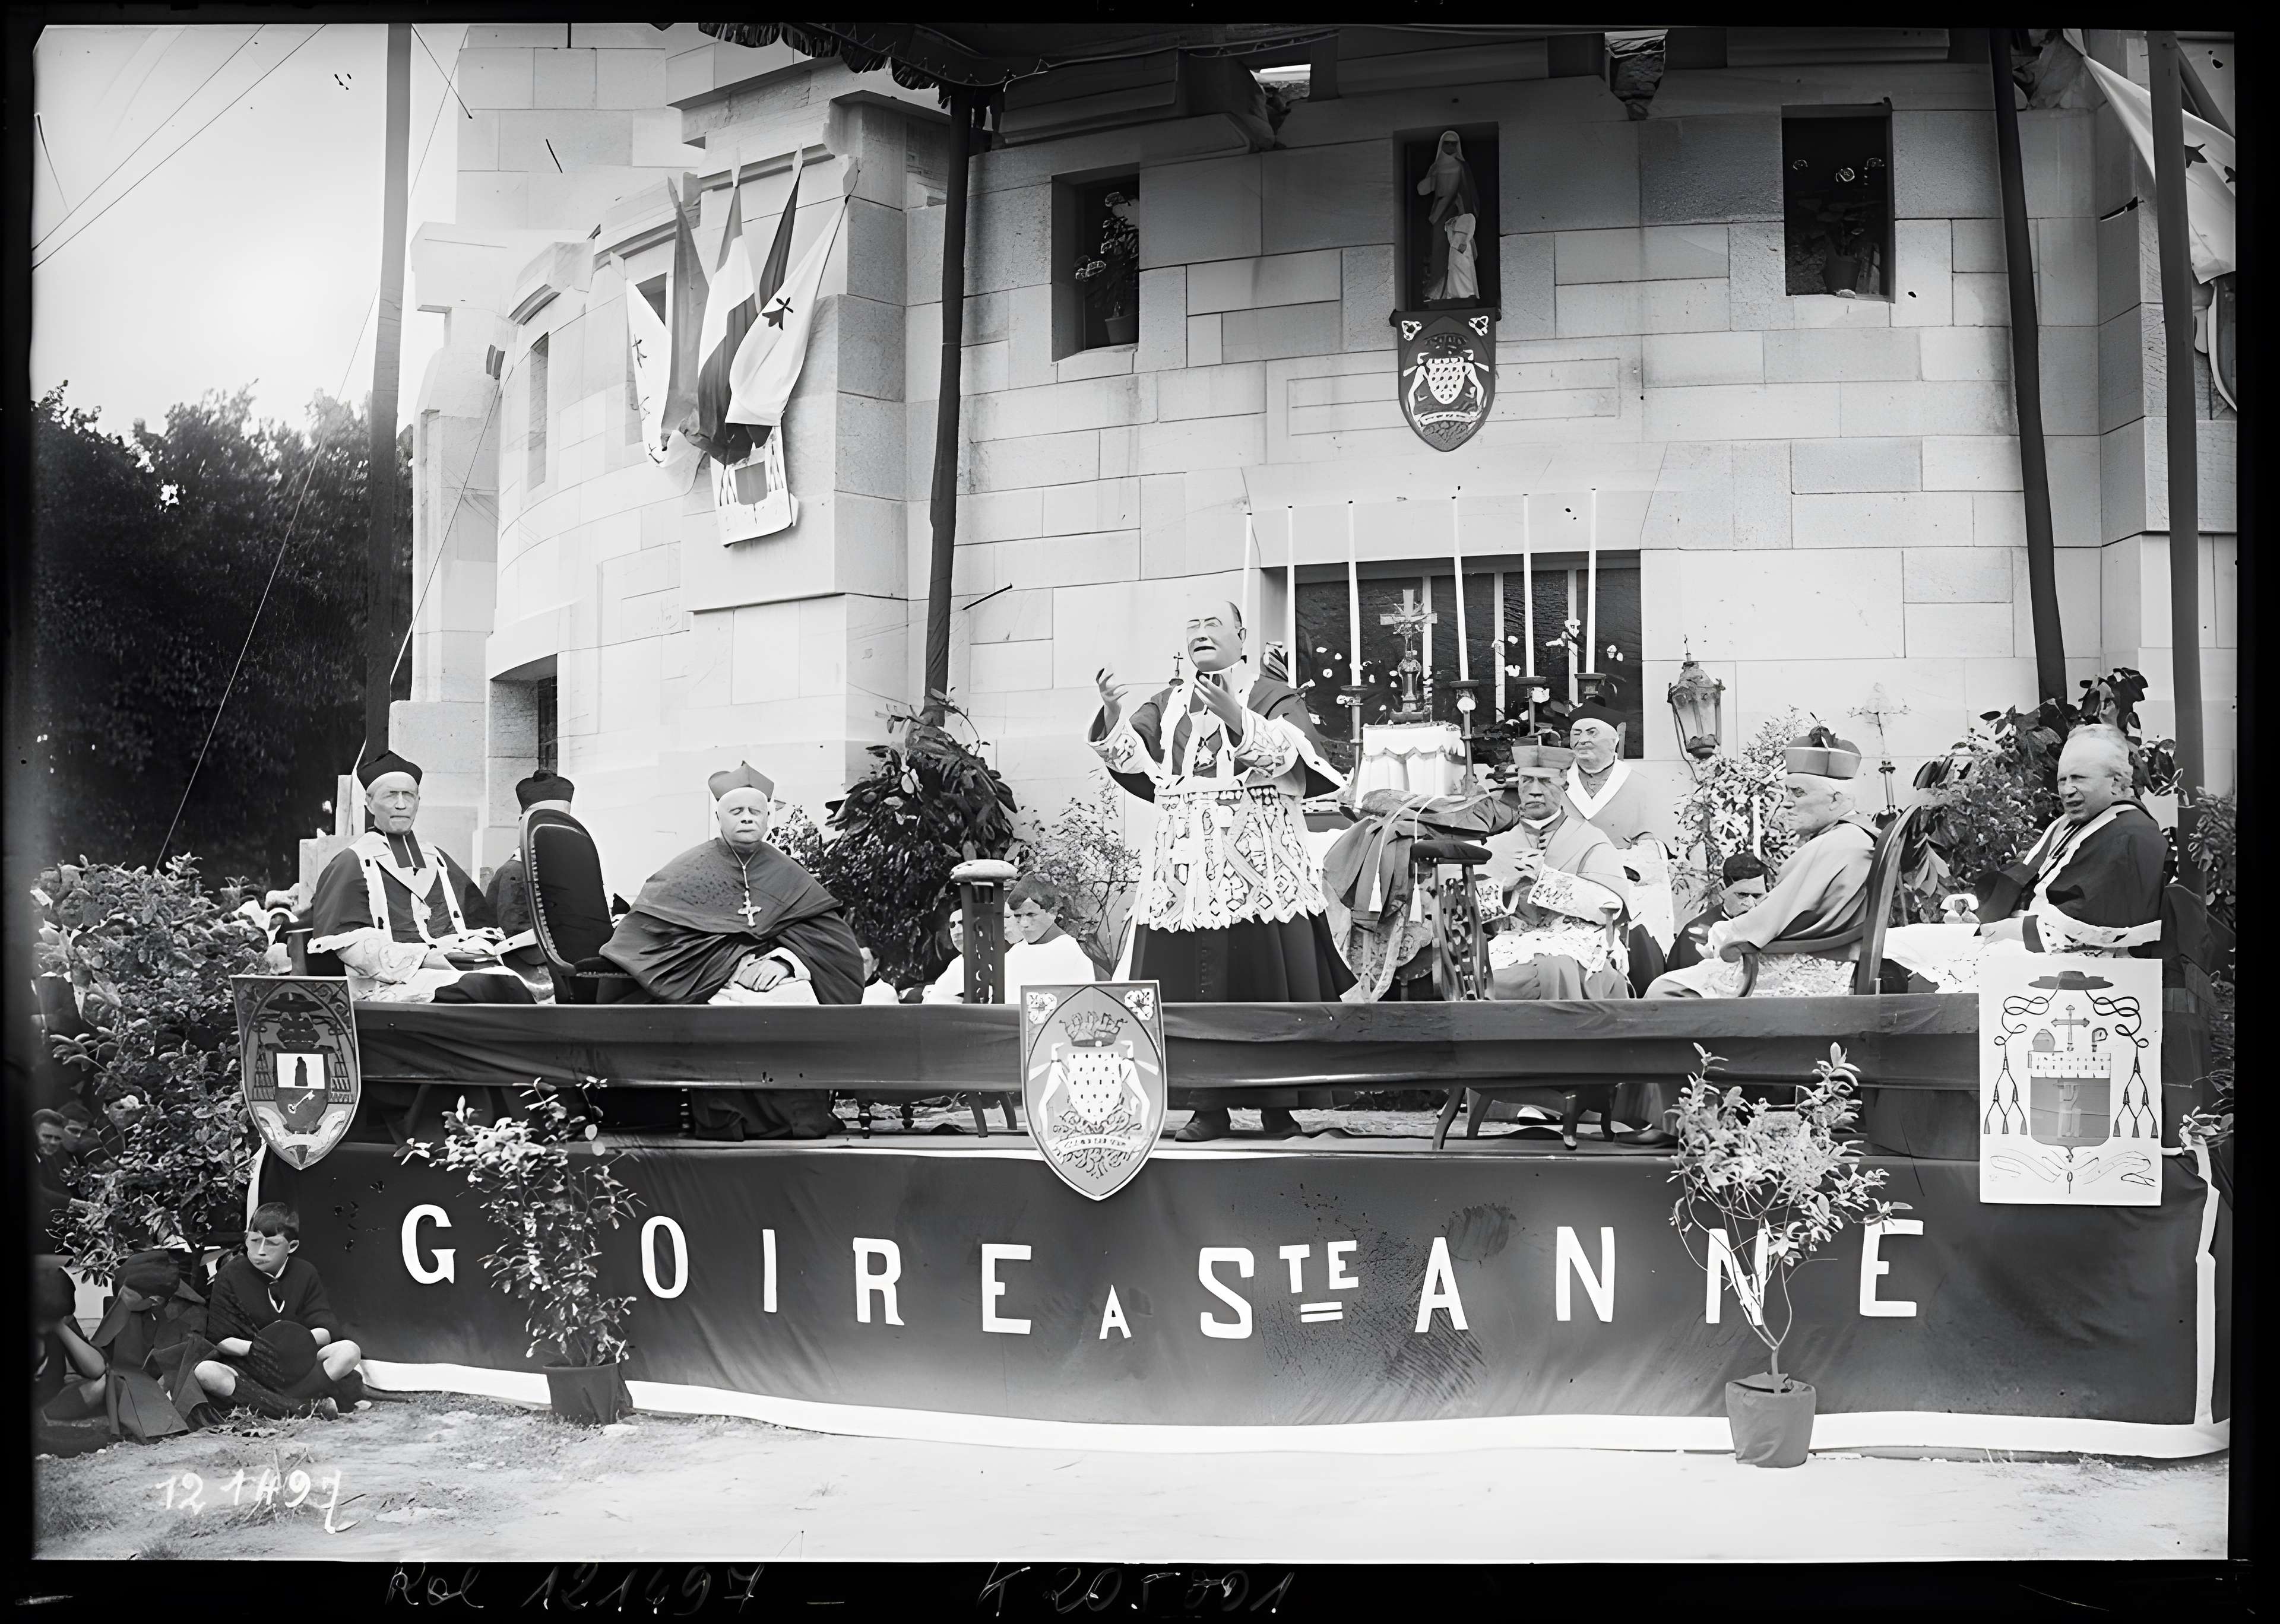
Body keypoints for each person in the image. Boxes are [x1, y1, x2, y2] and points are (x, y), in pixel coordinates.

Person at [1090, 598, 1354, 1141]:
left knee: (1267, 982)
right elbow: (1135, 761)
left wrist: (1239, 720)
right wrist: (1113, 720)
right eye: (1192, 625)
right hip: (1184, 873)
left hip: (1257, 866)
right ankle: (1206, 1108)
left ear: (1241, 636)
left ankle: (1278, 1107)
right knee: (1187, 986)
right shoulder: (1166, 703)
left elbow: (1300, 759)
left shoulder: (1271, 696)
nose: (1201, 632)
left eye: (1213, 624)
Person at [600, 762, 864, 1139]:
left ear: (768, 816)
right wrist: (730, 964)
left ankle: (799, 1118)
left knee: (800, 999)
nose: (746, 819)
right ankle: (729, 1119)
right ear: (718, 817)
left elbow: (833, 944)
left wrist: (788, 963)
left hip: (776, 981)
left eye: (755, 811)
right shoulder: (687, 870)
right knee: (727, 1014)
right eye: (736, 812)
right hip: (712, 984)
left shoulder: (787, 872)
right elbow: (640, 939)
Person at [1880, 725, 2166, 993]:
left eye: (2079, 778)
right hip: (2034, 941)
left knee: (1931, 977)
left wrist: (2011, 929)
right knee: (1892, 943)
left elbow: (2098, 928)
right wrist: (1978, 915)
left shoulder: (2131, 835)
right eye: (2063, 780)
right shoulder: (2071, 824)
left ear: (2115, 783)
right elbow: (2026, 879)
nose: (2067, 790)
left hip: (2079, 965)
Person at [1646, 731, 1877, 1000]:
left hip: (1807, 967)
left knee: (1665, 990)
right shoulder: (1854, 836)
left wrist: (1720, 935)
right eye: (1787, 792)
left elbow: (1766, 921)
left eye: (1798, 792)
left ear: (1836, 799)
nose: (1787, 802)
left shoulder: (1834, 845)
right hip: (1828, 960)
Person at [306, 751, 531, 1004]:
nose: (401, 804)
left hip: (455, 967)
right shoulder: (351, 863)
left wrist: (473, 950)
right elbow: (352, 946)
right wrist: (423, 958)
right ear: (369, 803)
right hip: (388, 984)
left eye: (409, 796)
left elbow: (477, 925)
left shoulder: (437, 858)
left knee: (514, 984)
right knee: (478, 988)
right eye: (391, 795)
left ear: (418, 801)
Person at [1482, 737, 1635, 1001]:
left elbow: (1611, 908)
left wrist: (1546, 880)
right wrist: (1506, 889)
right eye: (1527, 781)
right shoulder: (1497, 845)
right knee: (1484, 981)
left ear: (1565, 785)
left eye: (1545, 782)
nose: (1535, 791)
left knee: (1555, 968)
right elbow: (1466, 910)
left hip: (1577, 942)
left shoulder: (1591, 840)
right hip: (1512, 943)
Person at [192, 1203, 363, 1420]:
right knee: (206, 1372)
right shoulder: (229, 1277)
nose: (260, 1251)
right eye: (254, 1241)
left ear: (292, 1246)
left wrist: (293, 1346)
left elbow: (326, 1328)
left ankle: (276, 1405)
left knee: (349, 1351)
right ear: (246, 1239)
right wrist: (263, 1349)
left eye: (272, 1243)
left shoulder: (305, 1273)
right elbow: (221, 1339)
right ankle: (299, 1407)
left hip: (302, 1366)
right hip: (252, 1367)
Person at [923, 874, 1098, 1004]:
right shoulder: (1016, 953)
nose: (1024, 923)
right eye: (1018, 916)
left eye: (1031, 915)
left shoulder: (1070, 951)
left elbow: (1084, 1004)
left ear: (1052, 913)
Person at [485, 768, 577, 936]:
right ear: (524, 823)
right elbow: (515, 931)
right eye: (546, 820)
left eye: (564, 819)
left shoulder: (571, 865)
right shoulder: (516, 871)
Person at [1562, 700, 1663, 849]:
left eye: (1592, 733)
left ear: (1613, 741)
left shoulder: (1640, 786)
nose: (1582, 741)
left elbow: (1650, 841)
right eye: (1577, 734)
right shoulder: (1555, 784)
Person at [1665, 851, 1771, 972]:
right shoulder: (1696, 936)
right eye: (1743, 895)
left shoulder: (1771, 927)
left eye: (1757, 896)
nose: (1751, 904)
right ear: (1722, 888)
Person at [32, 1264, 106, 1424]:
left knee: (104, 1383)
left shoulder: (57, 1320)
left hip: (49, 1403)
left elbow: (97, 1369)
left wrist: (60, 1326)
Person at [1417, 129, 1480, 305]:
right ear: (1442, 145)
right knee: (1439, 252)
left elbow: (1468, 193)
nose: (1451, 146)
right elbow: (1424, 190)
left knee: (1458, 254)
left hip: (1455, 215)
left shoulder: (1461, 166)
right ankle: (1438, 292)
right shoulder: (1436, 167)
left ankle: (1458, 292)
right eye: (1447, 143)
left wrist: (1464, 213)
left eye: (1454, 143)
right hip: (1439, 215)